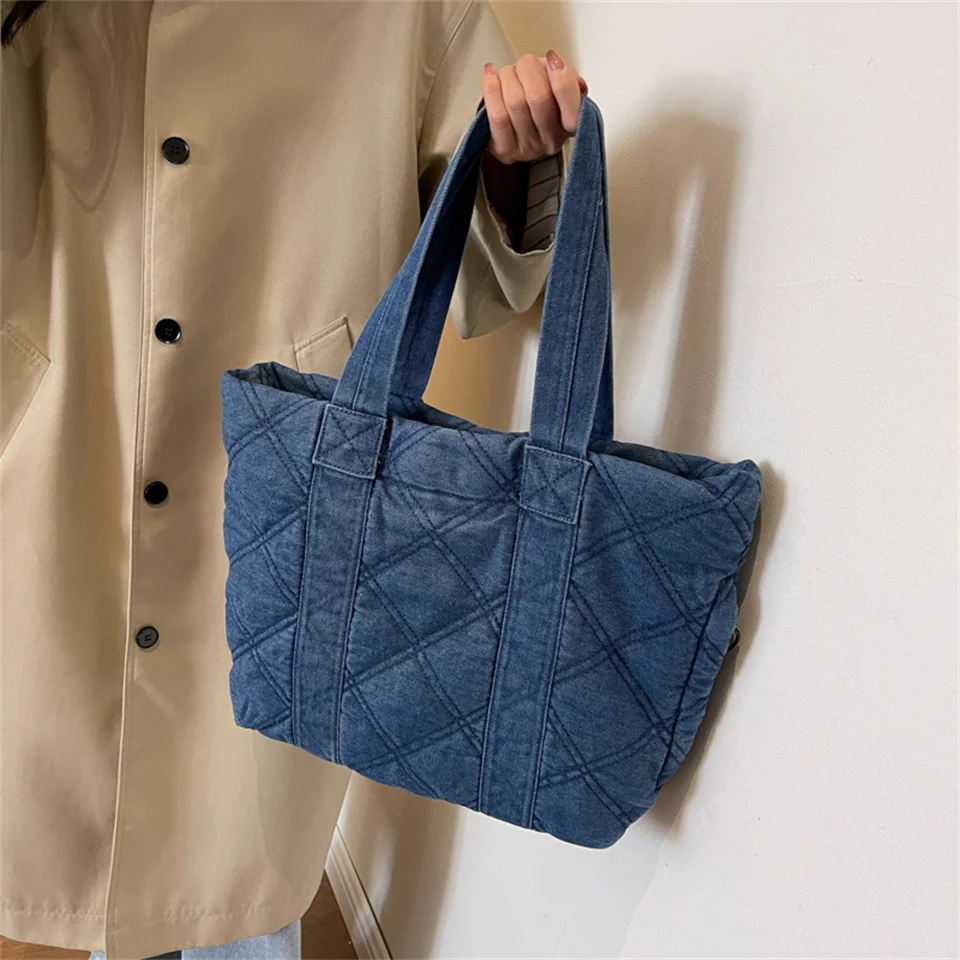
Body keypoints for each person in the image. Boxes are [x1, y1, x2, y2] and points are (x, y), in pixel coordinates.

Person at [0, 1, 586, 957]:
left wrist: (515, 164)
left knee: (239, 835)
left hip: (287, 473)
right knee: (49, 765)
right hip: (57, 445)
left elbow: (482, 266)